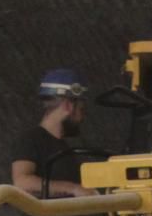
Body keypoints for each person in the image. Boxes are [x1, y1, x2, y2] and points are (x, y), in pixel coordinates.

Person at [9, 69, 92, 200]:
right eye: (81, 109)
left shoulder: (63, 148)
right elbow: (22, 183)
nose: (82, 117)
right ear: (68, 106)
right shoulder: (30, 140)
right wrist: (73, 188)